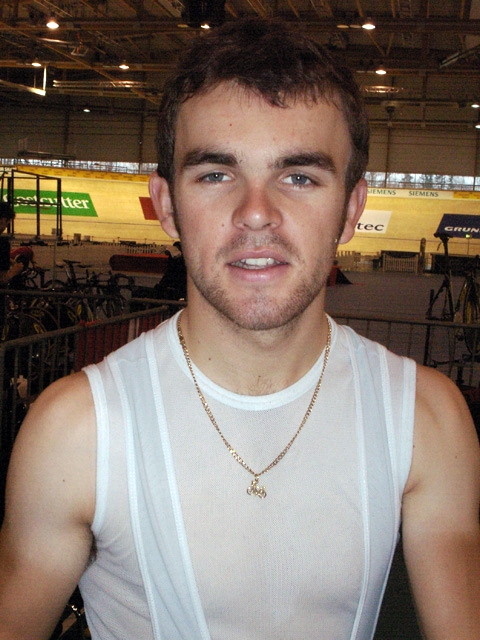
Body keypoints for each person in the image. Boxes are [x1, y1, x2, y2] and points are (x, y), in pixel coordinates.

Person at [0, 18, 479, 640]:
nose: (256, 213)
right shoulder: (73, 433)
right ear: (166, 205)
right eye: (215, 174)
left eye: (299, 176)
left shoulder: (426, 420)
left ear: (351, 209)